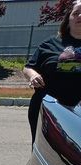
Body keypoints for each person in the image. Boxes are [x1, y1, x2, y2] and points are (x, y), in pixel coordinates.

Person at [24, 0, 81, 142]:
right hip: (48, 110)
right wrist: (33, 75)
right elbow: (29, 67)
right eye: (76, 13)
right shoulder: (50, 44)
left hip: (78, 112)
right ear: (68, 19)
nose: (80, 16)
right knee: (46, 152)